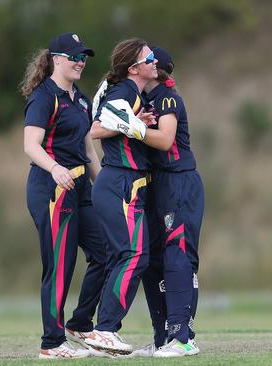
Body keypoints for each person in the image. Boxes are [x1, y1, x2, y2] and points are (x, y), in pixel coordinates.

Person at [21, 32, 107, 359]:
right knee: (60, 265)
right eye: (74, 57)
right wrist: (55, 168)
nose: (80, 61)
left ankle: (81, 322)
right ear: (56, 59)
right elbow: (31, 144)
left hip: (81, 188)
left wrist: (103, 188)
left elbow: (88, 150)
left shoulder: (81, 99)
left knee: (108, 249)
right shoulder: (45, 96)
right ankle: (52, 343)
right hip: (51, 188)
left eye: (83, 56)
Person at [80, 38, 158, 355]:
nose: (155, 61)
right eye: (149, 57)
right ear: (134, 68)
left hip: (126, 183)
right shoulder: (125, 89)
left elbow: (108, 123)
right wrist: (137, 125)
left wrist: (136, 122)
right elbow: (96, 128)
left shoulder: (133, 93)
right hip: (119, 182)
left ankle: (101, 330)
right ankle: (105, 329)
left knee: (127, 255)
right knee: (133, 255)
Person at [129, 46, 203, 358]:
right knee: (150, 260)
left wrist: (131, 126)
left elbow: (165, 139)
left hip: (179, 183)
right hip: (156, 185)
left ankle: (183, 337)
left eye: (147, 60)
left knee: (177, 256)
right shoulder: (140, 100)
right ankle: (163, 338)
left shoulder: (167, 97)